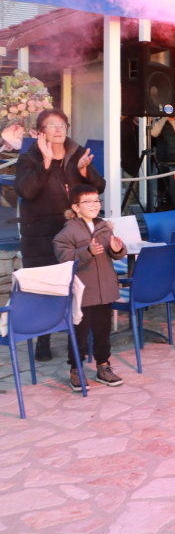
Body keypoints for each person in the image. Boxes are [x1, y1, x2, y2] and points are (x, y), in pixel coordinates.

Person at [15, 108, 105, 362]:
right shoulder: (29, 158)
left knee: (75, 289)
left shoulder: (76, 155)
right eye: (51, 125)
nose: (58, 130)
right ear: (39, 132)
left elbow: (99, 188)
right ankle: (42, 340)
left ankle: (74, 343)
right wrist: (44, 163)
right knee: (43, 289)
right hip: (40, 236)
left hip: (73, 236)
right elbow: (26, 190)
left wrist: (86, 172)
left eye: (62, 125)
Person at [53, 183, 127, 390]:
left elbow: (116, 252)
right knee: (80, 333)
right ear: (76, 207)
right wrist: (87, 251)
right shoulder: (69, 231)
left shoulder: (104, 225)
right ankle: (76, 369)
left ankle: (103, 366)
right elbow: (64, 257)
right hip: (83, 293)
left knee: (103, 331)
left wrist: (117, 249)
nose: (94, 205)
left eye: (96, 200)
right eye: (88, 201)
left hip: (105, 291)